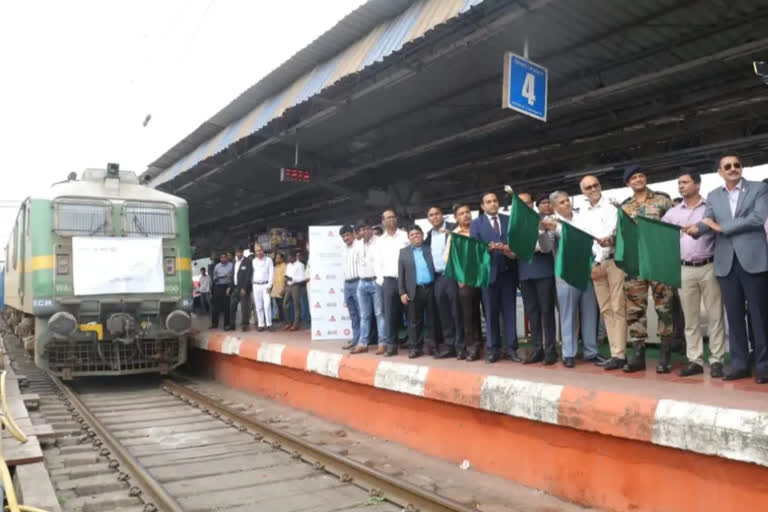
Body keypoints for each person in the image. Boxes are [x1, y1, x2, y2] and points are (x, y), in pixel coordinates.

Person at [685, 154, 768, 383]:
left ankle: (764, 367)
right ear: (720, 172)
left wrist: (722, 227)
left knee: (760, 317)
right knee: (734, 316)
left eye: (737, 165)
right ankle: (740, 365)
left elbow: (758, 218)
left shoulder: (758, 188)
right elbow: (707, 220)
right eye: (727, 166)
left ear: (742, 168)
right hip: (726, 262)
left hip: (754, 259)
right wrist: (697, 229)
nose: (733, 169)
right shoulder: (713, 196)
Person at [662, 172, 726, 378]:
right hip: (684, 269)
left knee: (715, 315)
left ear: (697, 185)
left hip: (710, 265)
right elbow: (659, 234)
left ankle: (717, 360)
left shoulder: (711, 208)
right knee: (690, 318)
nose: (681, 186)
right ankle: (695, 360)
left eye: (685, 182)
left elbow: (720, 231)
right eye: (679, 182)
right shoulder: (672, 213)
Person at [620, 165, 676, 373]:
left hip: (659, 260)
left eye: (641, 176)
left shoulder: (662, 200)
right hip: (635, 264)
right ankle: (638, 355)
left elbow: (674, 228)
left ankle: (665, 354)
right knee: (634, 309)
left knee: (664, 308)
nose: (638, 179)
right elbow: (621, 236)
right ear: (628, 183)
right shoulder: (624, 207)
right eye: (633, 177)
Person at [544, 191, 600, 368]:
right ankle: (569, 353)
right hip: (566, 276)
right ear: (554, 207)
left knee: (590, 313)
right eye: (561, 202)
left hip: (587, 271)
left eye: (567, 200)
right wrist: (544, 230)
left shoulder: (583, 217)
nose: (566, 204)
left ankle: (591, 352)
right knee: (568, 315)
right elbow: (545, 248)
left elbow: (593, 240)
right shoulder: (552, 223)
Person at [579, 175, 623, 369]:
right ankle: (615, 353)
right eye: (588, 187)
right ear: (583, 192)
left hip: (612, 262)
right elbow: (584, 238)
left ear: (600, 186)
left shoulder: (611, 206)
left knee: (618, 307)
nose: (592, 189)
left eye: (595, 185)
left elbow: (609, 235)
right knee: (605, 309)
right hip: (595, 266)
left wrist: (596, 262)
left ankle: (620, 354)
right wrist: (592, 263)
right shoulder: (583, 212)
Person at [470, 191, 520, 363]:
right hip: (489, 274)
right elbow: (475, 248)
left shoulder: (508, 220)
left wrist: (507, 248)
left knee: (509, 311)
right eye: (488, 202)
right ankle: (493, 349)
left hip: (508, 272)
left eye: (495, 201)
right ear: (483, 206)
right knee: (490, 313)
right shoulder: (476, 224)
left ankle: (511, 348)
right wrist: (488, 248)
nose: (493, 204)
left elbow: (516, 243)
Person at [517, 192, 557, 365]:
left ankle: (550, 351)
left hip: (544, 272)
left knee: (547, 312)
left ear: (532, 204)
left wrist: (530, 244)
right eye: (520, 204)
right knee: (532, 314)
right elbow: (514, 248)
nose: (524, 206)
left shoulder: (545, 220)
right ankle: (537, 349)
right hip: (525, 274)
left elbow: (547, 247)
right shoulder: (515, 224)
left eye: (527, 203)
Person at [444, 203, 483, 360]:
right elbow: (447, 258)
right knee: (468, 315)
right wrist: (459, 276)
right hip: (465, 280)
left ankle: (492, 345)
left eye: (468, 212)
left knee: (489, 312)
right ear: (456, 218)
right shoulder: (453, 235)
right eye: (461, 213)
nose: (466, 215)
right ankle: (471, 347)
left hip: (483, 277)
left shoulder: (479, 230)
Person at [425, 206, 462, 358]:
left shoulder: (454, 229)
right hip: (438, 278)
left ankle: (461, 346)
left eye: (437, 214)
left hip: (453, 275)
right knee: (444, 313)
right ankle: (449, 345)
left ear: (443, 215)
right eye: (431, 215)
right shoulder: (428, 236)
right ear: (428, 219)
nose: (435, 217)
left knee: (457, 312)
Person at [398, 225, 437, 359]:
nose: (415, 237)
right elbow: (401, 274)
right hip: (413, 291)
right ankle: (415, 348)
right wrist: (402, 292)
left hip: (431, 288)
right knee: (414, 321)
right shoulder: (404, 252)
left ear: (422, 235)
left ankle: (434, 347)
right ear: (408, 238)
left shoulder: (429, 249)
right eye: (412, 235)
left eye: (417, 234)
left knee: (433, 319)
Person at [375, 210, 410, 352]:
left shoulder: (405, 236)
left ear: (396, 219)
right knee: (390, 315)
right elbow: (377, 262)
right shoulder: (380, 241)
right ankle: (391, 345)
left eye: (393, 217)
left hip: (406, 280)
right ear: (383, 222)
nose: (391, 220)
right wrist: (381, 281)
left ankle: (413, 344)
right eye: (387, 218)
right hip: (388, 281)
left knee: (410, 313)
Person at [353, 219, 386, 354]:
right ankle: (363, 343)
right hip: (362, 282)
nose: (365, 231)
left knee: (379, 314)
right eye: (362, 230)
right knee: (364, 315)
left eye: (367, 228)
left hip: (375, 281)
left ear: (371, 229)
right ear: (359, 232)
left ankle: (382, 343)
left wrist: (381, 280)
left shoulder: (379, 242)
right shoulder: (358, 244)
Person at [340, 225, 361, 350]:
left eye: (348, 235)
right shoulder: (343, 250)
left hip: (358, 282)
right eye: (343, 236)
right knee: (353, 313)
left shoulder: (359, 246)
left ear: (353, 234)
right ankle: (355, 338)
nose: (346, 238)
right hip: (347, 284)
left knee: (361, 313)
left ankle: (362, 340)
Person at [229, 247, 253, 332]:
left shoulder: (248, 261)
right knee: (232, 306)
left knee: (244, 307)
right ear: (235, 253)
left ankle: (245, 325)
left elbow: (248, 275)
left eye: (239, 252)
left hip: (243, 288)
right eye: (237, 252)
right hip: (235, 288)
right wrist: (229, 287)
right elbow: (233, 275)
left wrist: (244, 288)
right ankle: (232, 325)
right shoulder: (234, 261)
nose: (238, 254)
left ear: (242, 252)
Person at [251, 244, 274, 332]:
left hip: (265, 285)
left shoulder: (269, 260)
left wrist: (269, 285)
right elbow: (252, 273)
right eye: (257, 251)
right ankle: (261, 324)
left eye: (260, 250)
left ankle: (269, 324)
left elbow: (271, 273)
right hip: (256, 286)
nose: (259, 252)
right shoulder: (253, 261)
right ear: (255, 252)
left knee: (267, 305)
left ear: (263, 250)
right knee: (258, 306)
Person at [282, 251, 307, 331]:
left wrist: (293, 279)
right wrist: (285, 284)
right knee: (285, 304)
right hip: (288, 286)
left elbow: (303, 278)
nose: (288, 259)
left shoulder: (300, 265)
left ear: (293, 257)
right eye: (287, 257)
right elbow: (286, 275)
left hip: (296, 286)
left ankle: (296, 324)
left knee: (296, 305)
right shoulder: (288, 265)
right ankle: (288, 322)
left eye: (289, 257)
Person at [210, 253, 233, 329]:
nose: (223, 259)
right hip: (218, 287)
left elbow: (233, 277)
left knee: (227, 306)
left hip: (227, 287)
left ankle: (226, 325)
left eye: (224, 257)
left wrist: (230, 286)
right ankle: (214, 324)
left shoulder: (231, 265)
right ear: (220, 258)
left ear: (227, 258)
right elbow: (214, 277)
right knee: (216, 306)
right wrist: (223, 276)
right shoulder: (217, 266)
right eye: (221, 257)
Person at [271, 252, 287, 324]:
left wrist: (283, 289)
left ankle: (285, 321)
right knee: (278, 305)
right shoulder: (275, 267)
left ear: (282, 259)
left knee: (283, 305)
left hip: (282, 289)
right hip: (275, 290)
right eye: (276, 258)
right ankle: (280, 319)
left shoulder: (285, 266)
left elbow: (285, 279)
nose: (276, 259)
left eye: (278, 258)